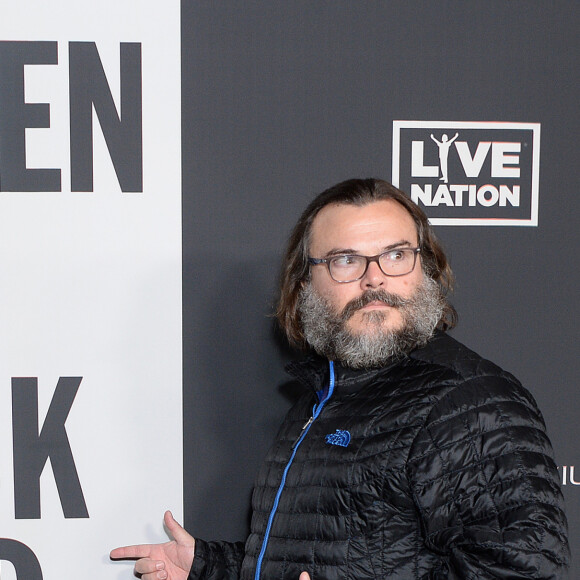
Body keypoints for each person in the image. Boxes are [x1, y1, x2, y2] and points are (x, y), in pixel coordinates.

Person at [111, 179, 569, 579]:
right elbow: (328, 560)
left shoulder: (467, 401)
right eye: (346, 260)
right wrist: (208, 567)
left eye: (395, 254)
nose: (375, 279)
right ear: (306, 283)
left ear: (424, 269)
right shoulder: (327, 396)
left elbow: (519, 570)